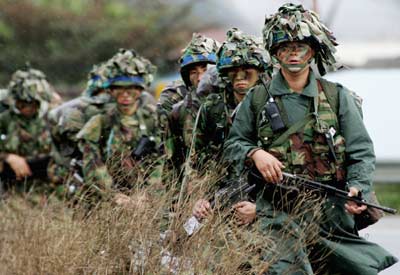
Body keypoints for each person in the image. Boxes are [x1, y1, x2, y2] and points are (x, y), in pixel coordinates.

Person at [223, 4, 397, 274]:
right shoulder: (256, 99)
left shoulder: (338, 96)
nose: (293, 54)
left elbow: (360, 150)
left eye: (300, 47)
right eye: (285, 47)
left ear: (313, 51)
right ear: (275, 53)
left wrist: (357, 187)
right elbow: (233, 145)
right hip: (276, 210)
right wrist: (256, 153)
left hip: (329, 211)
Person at [192, 28, 271, 225]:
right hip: (220, 192)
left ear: (260, 72)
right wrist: (199, 197)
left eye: (247, 72)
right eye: (233, 73)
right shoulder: (212, 107)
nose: (240, 78)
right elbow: (196, 159)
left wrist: (262, 209)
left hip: (263, 195)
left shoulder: (273, 106)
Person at [76, 49, 161, 205]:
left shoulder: (153, 120)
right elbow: (93, 164)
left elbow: (161, 162)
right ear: (110, 90)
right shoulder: (100, 122)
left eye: (131, 89)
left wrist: (147, 195)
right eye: (119, 88)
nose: (125, 94)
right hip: (108, 201)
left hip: (148, 201)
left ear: (140, 90)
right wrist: (113, 195)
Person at [157, 33, 220, 172]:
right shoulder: (177, 101)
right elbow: (167, 155)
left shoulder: (236, 94)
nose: (200, 78)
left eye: (205, 69)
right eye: (193, 72)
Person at [0, 66, 55, 200]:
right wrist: (8, 157)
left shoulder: (47, 120)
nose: (29, 108)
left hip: (43, 185)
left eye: (33, 103)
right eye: (24, 103)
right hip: (10, 184)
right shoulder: (5, 120)